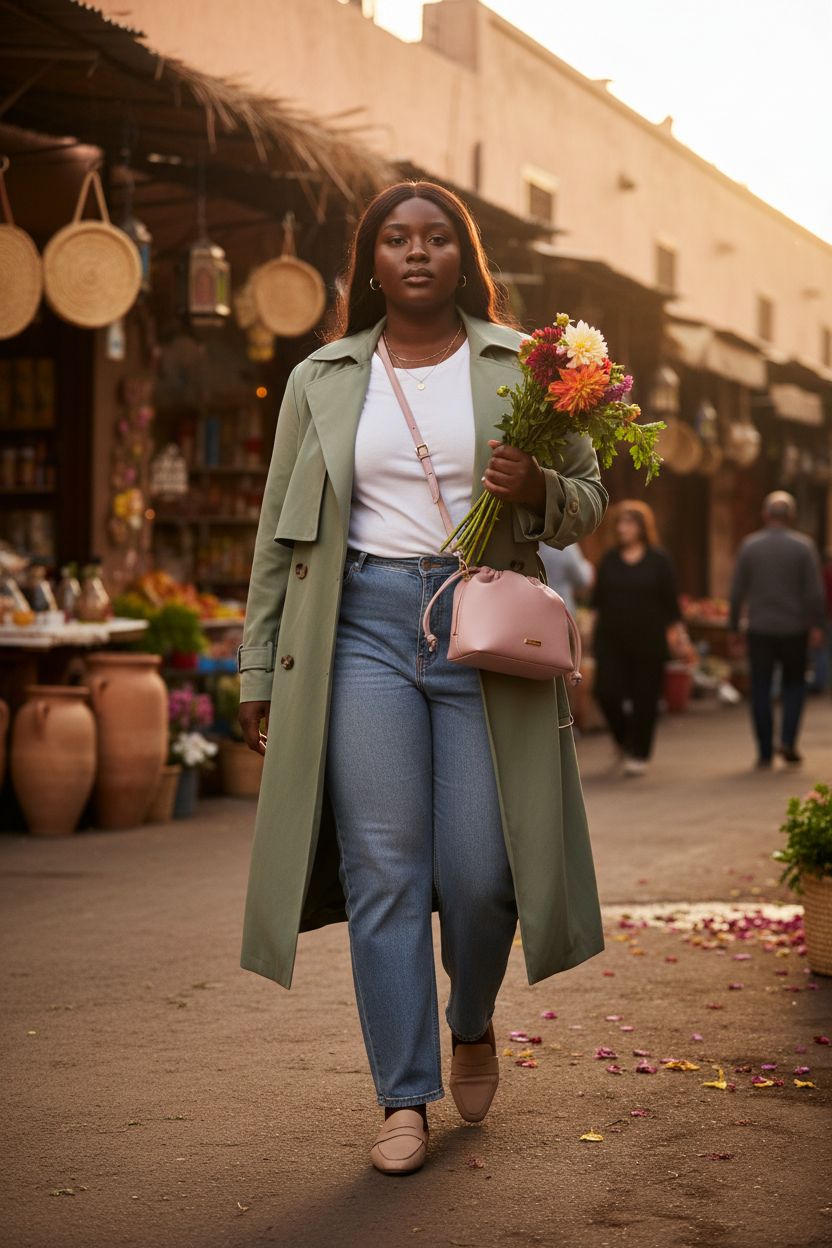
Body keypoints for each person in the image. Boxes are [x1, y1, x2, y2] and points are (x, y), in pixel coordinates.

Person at [236, 180, 608, 1176]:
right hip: (357, 629)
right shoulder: (321, 376)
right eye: (395, 238)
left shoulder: (520, 366)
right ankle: (402, 1098)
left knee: (483, 875)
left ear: (461, 257)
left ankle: (470, 1017)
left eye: (436, 237)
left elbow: (588, 498)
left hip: (481, 628)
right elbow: (277, 536)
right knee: (385, 873)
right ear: (370, 260)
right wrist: (257, 667)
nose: (414, 252)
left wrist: (538, 486)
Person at [591, 500, 688, 777]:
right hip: (611, 639)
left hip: (649, 640)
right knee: (605, 692)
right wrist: (586, 639)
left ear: (643, 527)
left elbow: (671, 605)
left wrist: (679, 637)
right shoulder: (609, 559)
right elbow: (597, 602)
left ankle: (640, 753)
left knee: (645, 699)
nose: (623, 528)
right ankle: (625, 739)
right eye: (620, 522)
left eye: (629, 522)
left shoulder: (659, 560)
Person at [729, 491, 825, 768]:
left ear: (765, 514)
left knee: (760, 687)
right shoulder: (803, 547)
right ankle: (788, 741)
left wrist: (734, 627)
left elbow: (736, 592)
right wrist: (818, 625)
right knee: (794, 685)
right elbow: (814, 593)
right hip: (794, 629)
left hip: (759, 629)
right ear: (791, 516)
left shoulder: (750, 546)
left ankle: (764, 751)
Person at [537, 540, 595, 617]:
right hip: (563, 613)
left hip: (536, 612)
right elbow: (583, 580)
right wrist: (589, 568)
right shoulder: (565, 545)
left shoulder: (527, 546)